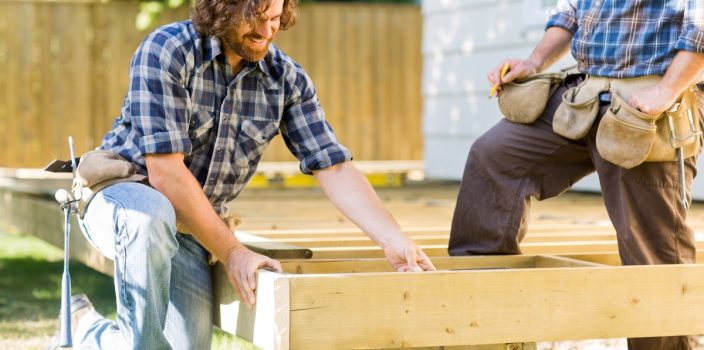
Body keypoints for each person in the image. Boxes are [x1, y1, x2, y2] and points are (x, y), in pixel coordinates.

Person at [58, 0, 436, 348]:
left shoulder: (285, 79)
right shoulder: (167, 50)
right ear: (222, 7)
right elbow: (166, 175)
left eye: (274, 18)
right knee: (150, 218)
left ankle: (86, 328)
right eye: (254, 17)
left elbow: (333, 165)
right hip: (123, 194)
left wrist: (392, 239)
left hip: (193, 223)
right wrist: (233, 252)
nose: (266, 32)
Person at [449, 1, 704, 349]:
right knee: (494, 156)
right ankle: (480, 317)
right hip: (585, 92)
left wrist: (667, 91)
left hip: (649, 101)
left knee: (651, 253)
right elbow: (570, 12)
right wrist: (535, 62)